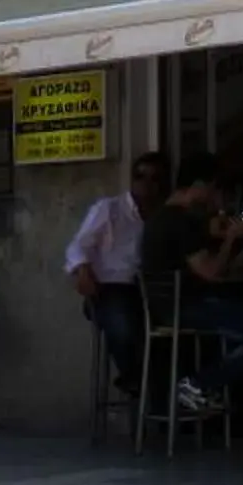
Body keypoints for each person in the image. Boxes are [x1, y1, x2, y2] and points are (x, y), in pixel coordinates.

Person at [140, 154, 243, 411]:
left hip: (172, 306)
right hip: (186, 307)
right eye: (215, 188)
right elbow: (212, 272)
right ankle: (199, 383)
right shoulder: (178, 221)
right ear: (199, 185)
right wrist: (233, 239)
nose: (216, 197)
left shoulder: (162, 218)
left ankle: (206, 386)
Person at [65, 149, 169, 386]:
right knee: (122, 325)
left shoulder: (163, 216)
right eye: (140, 176)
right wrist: (82, 269)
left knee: (165, 335)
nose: (146, 184)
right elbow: (77, 245)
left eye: (155, 178)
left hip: (148, 289)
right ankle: (137, 381)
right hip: (110, 288)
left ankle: (156, 389)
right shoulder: (110, 209)